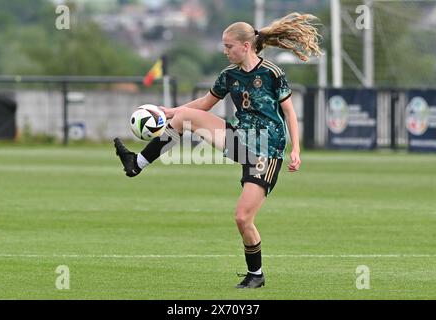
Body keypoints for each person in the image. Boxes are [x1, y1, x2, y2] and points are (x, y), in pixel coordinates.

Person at [114, 12, 322, 289]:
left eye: (229, 46)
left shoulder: (272, 73)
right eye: (223, 46)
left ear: (245, 46)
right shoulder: (229, 76)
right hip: (240, 139)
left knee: (243, 218)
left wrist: (296, 149)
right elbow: (204, 103)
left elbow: (290, 113)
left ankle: (256, 275)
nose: (225, 51)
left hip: (266, 150)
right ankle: (136, 163)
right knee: (184, 118)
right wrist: (170, 111)